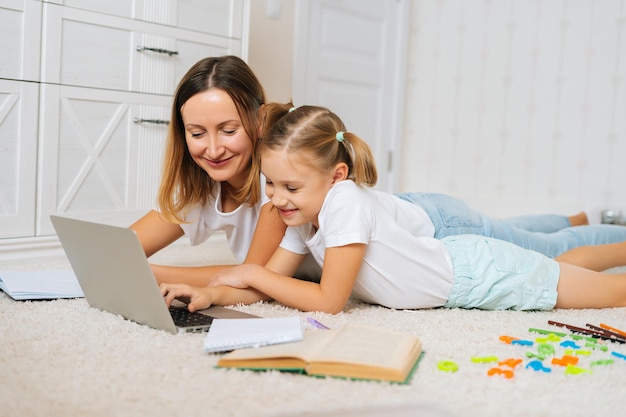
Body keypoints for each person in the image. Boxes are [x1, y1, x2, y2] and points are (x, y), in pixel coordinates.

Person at [160, 104, 626, 314]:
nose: (275, 199)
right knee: (555, 260)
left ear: (336, 176)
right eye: (270, 184)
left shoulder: (343, 204)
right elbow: (273, 286)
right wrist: (216, 294)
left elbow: (328, 301)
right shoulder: (303, 214)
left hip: (478, 272)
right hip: (461, 261)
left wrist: (250, 274)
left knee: (610, 293)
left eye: (290, 186)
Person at [130, 55, 290, 286]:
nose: (214, 151)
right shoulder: (203, 188)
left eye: (228, 131)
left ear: (260, 121)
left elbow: (252, 275)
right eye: (197, 134)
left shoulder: (279, 183)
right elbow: (122, 248)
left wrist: (148, 274)